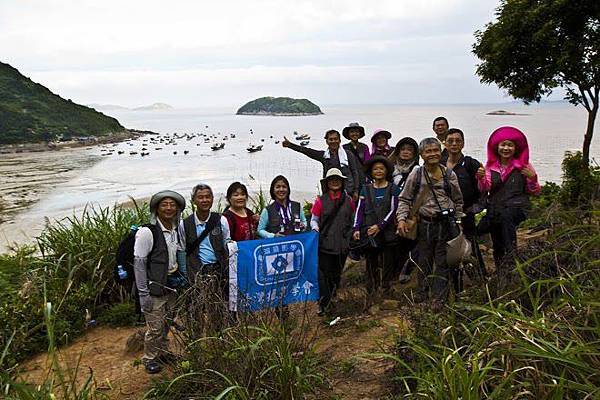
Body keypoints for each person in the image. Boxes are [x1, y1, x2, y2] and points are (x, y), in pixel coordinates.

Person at [396, 138, 464, 309]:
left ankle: (438, 298)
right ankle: (422, 292)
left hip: (445, 224)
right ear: (421, 155)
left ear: (441, 152)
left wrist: (457, 221)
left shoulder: (449, 174)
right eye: (428, 151)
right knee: (424, 259)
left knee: (443, 261)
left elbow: (457, 200)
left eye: (436, 150)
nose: (433, 154)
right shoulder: (416, 174)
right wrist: (401, 219)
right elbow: (404, 198)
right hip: (425, 223)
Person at [476, 126, 540, 288]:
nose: (506, 148)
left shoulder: (524, 166)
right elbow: (486, 189)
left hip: (517, 208)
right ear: (496, 147)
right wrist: (481, 179)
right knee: (496, 234)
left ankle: (512, 259)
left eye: (510, 145)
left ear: (516, 148)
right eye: (503, 145)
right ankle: (501, 271)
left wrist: (533, 179)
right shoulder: (490, 167)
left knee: (505, 221)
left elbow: (535, 191)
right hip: (497, 210)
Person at [133, 190, 187, 374]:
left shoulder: (175, 230)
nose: (169, 208)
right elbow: (139, 264)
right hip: (154, 288)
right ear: (156, 209)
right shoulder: (147, 232)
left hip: (171, 286)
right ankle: (149, 359)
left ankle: (163, 353)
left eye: (173, 205)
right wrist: (143, 295)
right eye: (164, 204)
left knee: (166, 323)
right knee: (154, 328)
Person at [441, 128, 485, 291]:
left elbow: (484, 188)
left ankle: (480, 281)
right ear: (444, 143)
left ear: (463, 143)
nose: (454, 143)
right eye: (450, 140)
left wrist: (476, 208)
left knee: (471, 247)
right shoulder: (439, 164)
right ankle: (451, 284)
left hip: (466, 214)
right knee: (448, 249)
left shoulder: (471, 164)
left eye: (458, 140)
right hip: (445, 215)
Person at [257, 175, 307, 319]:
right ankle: (283, 315)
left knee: (293, 280)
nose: (281, 189)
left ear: (288, 189)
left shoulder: (297, 206)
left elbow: (304, 221)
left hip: (294, 252)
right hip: (277, 255)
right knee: (278, 284)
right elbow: (260, 230)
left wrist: (304, 226)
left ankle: (296, 308)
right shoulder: (268, 210)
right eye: (278, 187)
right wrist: (273, 236)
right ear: (273, 190)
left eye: (284, 186)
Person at [353, 156, 401, 301]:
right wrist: (356, 228)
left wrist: (380, 226)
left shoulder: (393, 188)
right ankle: (371, 290)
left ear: (387, 171)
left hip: (387, 232)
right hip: (369, 231)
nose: (378, 171)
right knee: (370, 261)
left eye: (381, 168)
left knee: (387, 261)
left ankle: (386, 288)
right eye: (375, 169)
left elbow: (394, 210)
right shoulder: (365, 189)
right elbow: (359, 210)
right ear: (371, 172)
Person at [310, 168, 355, 315]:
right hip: (325, 244)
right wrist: (315, 229)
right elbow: (314, 220)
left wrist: (350, 235)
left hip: (343, 245)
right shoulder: (320, 201)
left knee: (336, 274)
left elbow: (353, 220)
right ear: (327, 183)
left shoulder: (349, 201)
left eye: (337, 179)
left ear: (342, 182)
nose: (335, 182)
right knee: (324, 275)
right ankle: (323, 304)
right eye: (332, 179)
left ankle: (332, 298)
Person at [283, 130, 360, 199]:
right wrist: (290, 145)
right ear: (327, 142)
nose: (333, 141)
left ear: (339, 140)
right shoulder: (324, 156)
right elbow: (307, 151)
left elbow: (354, 172)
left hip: (348, 192)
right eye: (331, 139)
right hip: (329, 193)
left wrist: (356, 191)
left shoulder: (348, 154)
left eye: (335, 139)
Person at [388, 137, 420, 283]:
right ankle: (392, 274)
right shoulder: (391, 169)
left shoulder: (418, 170)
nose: (406, 153)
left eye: (410, 150)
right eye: (403, 149)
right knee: (394, 244)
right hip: (391, 211)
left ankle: (406, 271)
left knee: (409, 242)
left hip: (410, 212)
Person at [342, 122, 371, 188]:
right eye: (352, 132)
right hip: (350, 178)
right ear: (348, 134)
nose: (354, 134)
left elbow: (368, 163)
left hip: (362, 177)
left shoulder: (364, 147)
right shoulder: (344, 148)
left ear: (360, 133)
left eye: (357, 132)